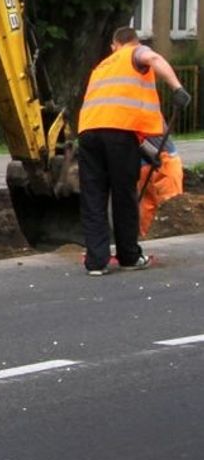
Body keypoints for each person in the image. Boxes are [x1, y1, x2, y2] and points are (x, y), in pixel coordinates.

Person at [78, 25, 191, 275]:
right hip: (119, 133)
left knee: (94, 196)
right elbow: (153, 58)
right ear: (132, 42)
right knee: (124, 193)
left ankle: (96, 263)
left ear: (113, 46)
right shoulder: (134, 53)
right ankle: (128, 256)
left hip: (88, 132)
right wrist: (177, 88)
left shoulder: (101, 67)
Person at [137, 128, 184, 239]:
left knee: (147, 206)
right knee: (173, 206)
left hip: (143, 163)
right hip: (164, 161)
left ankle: (148, 241)